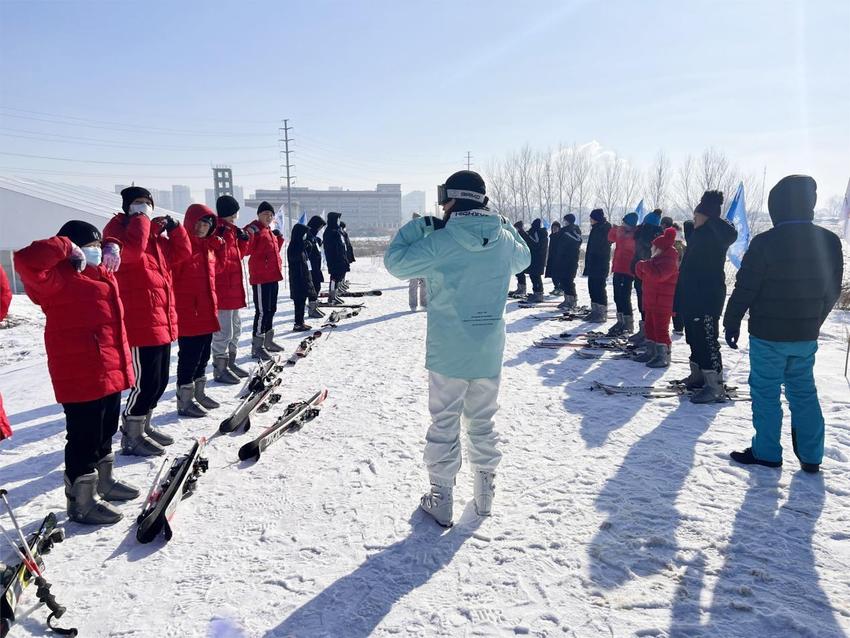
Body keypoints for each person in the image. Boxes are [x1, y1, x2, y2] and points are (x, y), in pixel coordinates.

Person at [383, 170, 530, 526]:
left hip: (449, 352)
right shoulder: (505, 241)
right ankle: (484, 498)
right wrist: (506, 224)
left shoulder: (441, 240)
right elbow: (524, 258)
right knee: (482, 422)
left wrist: (421, 227)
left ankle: (441, 498)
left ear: (450, 199)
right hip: (488, 351)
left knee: (445, 422)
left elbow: (395, 263)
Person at [15, 221, 136, 524]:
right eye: (89, 246)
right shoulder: (56, 279)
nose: (96, 252)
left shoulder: (100, 274)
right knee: (83, 436)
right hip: (79, 371)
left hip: (109, 367)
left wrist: (109, 243)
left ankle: (103, 482)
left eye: (98, 247)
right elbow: (26, 260)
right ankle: (80, 501)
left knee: (105, 429)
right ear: (73, 248)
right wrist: (66, 246)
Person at [725, 175, 843, 472]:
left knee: (766, 393)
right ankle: (812, 456)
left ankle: (767, 452)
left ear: (776, 206)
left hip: (767, 335)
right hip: (804, 335)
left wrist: (732, 319)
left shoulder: (766, 242)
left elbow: (746, 287)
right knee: (803, 392)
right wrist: (814, 320)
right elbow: (833, 290)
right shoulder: (829, 241)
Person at [104, 186, 191, 456]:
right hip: (140, 322)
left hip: (162, 319)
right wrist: (142, 221)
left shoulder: (155, 239)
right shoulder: (116, 232)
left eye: (147, 204)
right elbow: (131, 255)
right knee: (145, 383)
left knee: (159, 381)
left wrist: (176, 230)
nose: (143, 208)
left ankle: (144, 425)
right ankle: (131, 433)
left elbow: (182, 254)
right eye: (137, 204)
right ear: (128, 206)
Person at [675, 191, 738, 403]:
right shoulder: (700, 236)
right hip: (692, 296)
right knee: (693, 336)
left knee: (707, 339)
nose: (693, 220)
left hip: (707, 297)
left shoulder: (715, 237)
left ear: (707, 217)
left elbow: (724, 234)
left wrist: (707, 222)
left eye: (696, 217)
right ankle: (699, 375)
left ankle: (715, 385)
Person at [172, 204, 223, 417]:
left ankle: (198, 393)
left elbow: (218, 270)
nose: (203, 227)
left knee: (203, 355)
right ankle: (184, 400)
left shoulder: (208, 248)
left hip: (206, 310)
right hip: (188, 312)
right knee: (189, 357)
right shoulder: (183, 247)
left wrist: (220, 247)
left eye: (208, 223)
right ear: (190, 221)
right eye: (200, 222)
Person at [211, 195, 250, 385]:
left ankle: (231, 362)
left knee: (236, 329)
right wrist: (227, 237)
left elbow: (238, 256)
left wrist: (243, 241)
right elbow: (221, 262)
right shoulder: (218, 230)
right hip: (222, 290)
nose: (235, 216)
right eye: (233, 212)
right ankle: (220, 368)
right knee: (223, 332)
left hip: (234, 288)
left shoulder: (232, 231)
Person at [244, 201, 285, 360]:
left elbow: (272, 252)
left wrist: (279, 239)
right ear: (259, 215)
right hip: (261, 277)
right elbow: (246, 250)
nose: (268, 217)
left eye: (270, 214)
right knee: (262, 311)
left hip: (273, 276)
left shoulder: (269, 231)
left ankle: (268, 341)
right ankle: (257, 346)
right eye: (265, 214)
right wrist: (249, 235)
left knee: (271, 309)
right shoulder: (254, 229)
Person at [633, 228, 680, 367]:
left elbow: (658, 276)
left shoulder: (669, 260)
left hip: (662, 303)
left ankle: (663, 355)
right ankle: (651, 351)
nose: (651, 248)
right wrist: (639, 267)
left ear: (660, 248)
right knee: (650, 327)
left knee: (661, 329)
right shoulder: (655, 260)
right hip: (652, 301)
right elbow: (644, 276)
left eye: (654, 246)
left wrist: (644, 266)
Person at [628, 209, 663, 344]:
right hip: (643, 271)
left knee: (645, 303)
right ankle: (645, 330)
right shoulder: (650, 233)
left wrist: (639, 266)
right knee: (643, 302)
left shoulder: (647, 233)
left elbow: (643, 253)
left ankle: (647, 333)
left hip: (645, 272)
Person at [606, 212, 638, 336]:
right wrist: (615, 229)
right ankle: (620, 321)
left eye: (624, 222)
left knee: (625, 297)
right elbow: (610, 238)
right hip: (618, 268)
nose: (622, 224)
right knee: (617, 296)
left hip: (628, 270)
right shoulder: (622, 232)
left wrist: (619, 231)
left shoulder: (634, 235)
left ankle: (628, 322)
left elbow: (627, 243)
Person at [287, 223, 319, 331]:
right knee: (299, 302)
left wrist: (308, 247)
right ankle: (298, 323)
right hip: (298, 279)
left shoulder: (300, 244)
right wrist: (302, 246)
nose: (305, 236)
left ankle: (301, 322)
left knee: (302, 301)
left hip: (304, 277)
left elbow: (305, 259)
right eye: (304, 234)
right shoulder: (294, 245)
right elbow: (294, 258)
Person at [583, 209, 612, 323]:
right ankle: (595, 310)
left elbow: (602, 247)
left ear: (597, 218)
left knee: (599, 288)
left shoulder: (604, 228)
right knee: (592, 287)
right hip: (593, 263)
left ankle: (601, 312)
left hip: (600, 263)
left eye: (592, 218)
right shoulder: (596, 228)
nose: (590, 220)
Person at [556, 214, 582, 310]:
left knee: (568, 280)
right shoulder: (564, 231)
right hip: (562, 259)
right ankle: (567, 299)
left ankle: (572, 300)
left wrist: (565, 232)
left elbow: (578, 240)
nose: (564, 222)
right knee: (563, 280)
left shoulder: (573, 230)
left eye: (565, 220)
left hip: (570, 259)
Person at [322, 212, 350, 305]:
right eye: (337, 219)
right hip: (334, 260)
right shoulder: (330, 231)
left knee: (339, 277)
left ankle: (335, 295)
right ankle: (332, 297)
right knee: (334, 278)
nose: (338, 221)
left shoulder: (337, 231)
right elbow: (331, 248)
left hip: (341, 259)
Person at [306, 215, 327, 319]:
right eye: (319, 227)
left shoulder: (313, 235)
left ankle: (314, 305)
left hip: (316, 267)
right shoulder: (307, 235)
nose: (320, 229)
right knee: (314, 288)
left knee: (317, 286)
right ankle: (312, 308)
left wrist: (318, 241)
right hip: (311, 267)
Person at [525, 218, 549, 303]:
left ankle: (539, 294)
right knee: (533, 276)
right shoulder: (540, 233)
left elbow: (535, 244)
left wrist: (527, 236)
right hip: (537, 258)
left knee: (536, 277)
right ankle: (536, 292)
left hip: (537, 259)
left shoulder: (538, 233)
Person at [408, 213, 428, 311]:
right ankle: (413, 305)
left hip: (422, 261)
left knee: (423, 284)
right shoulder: (409, 233)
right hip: (414, 262)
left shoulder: (424, 231)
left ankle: (423, 304)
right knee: (414, 284)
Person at [670, 222, 687, 335]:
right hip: (683, 277)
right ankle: (680, 325)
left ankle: (678, 326)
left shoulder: (674, 247)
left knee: (675, 303)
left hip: (675, 277)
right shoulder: (685, 246)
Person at [509, 221, 531, 297]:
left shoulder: (522, 234)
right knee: (518, 274)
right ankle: (519, 288)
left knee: (521, 273)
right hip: (516, 256)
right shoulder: (518, 234)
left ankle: (523, 289)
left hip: (521, 256)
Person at [545, 221, 562, 294]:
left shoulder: (560, 236)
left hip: (559, 258)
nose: (554, 229)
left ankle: (561, 288)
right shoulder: (551, 236)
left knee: (558, 274)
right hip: (552, 257)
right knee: (553, 275)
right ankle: (556, 287)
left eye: (556, 228)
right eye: (553, 228)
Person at [340, 220, 356, 291]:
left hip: (347, 254)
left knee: (344, 270)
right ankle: (340, 284)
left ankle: (342, 282)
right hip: (344, 254)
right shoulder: (340, 234)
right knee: (341, 271)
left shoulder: (344, 233)